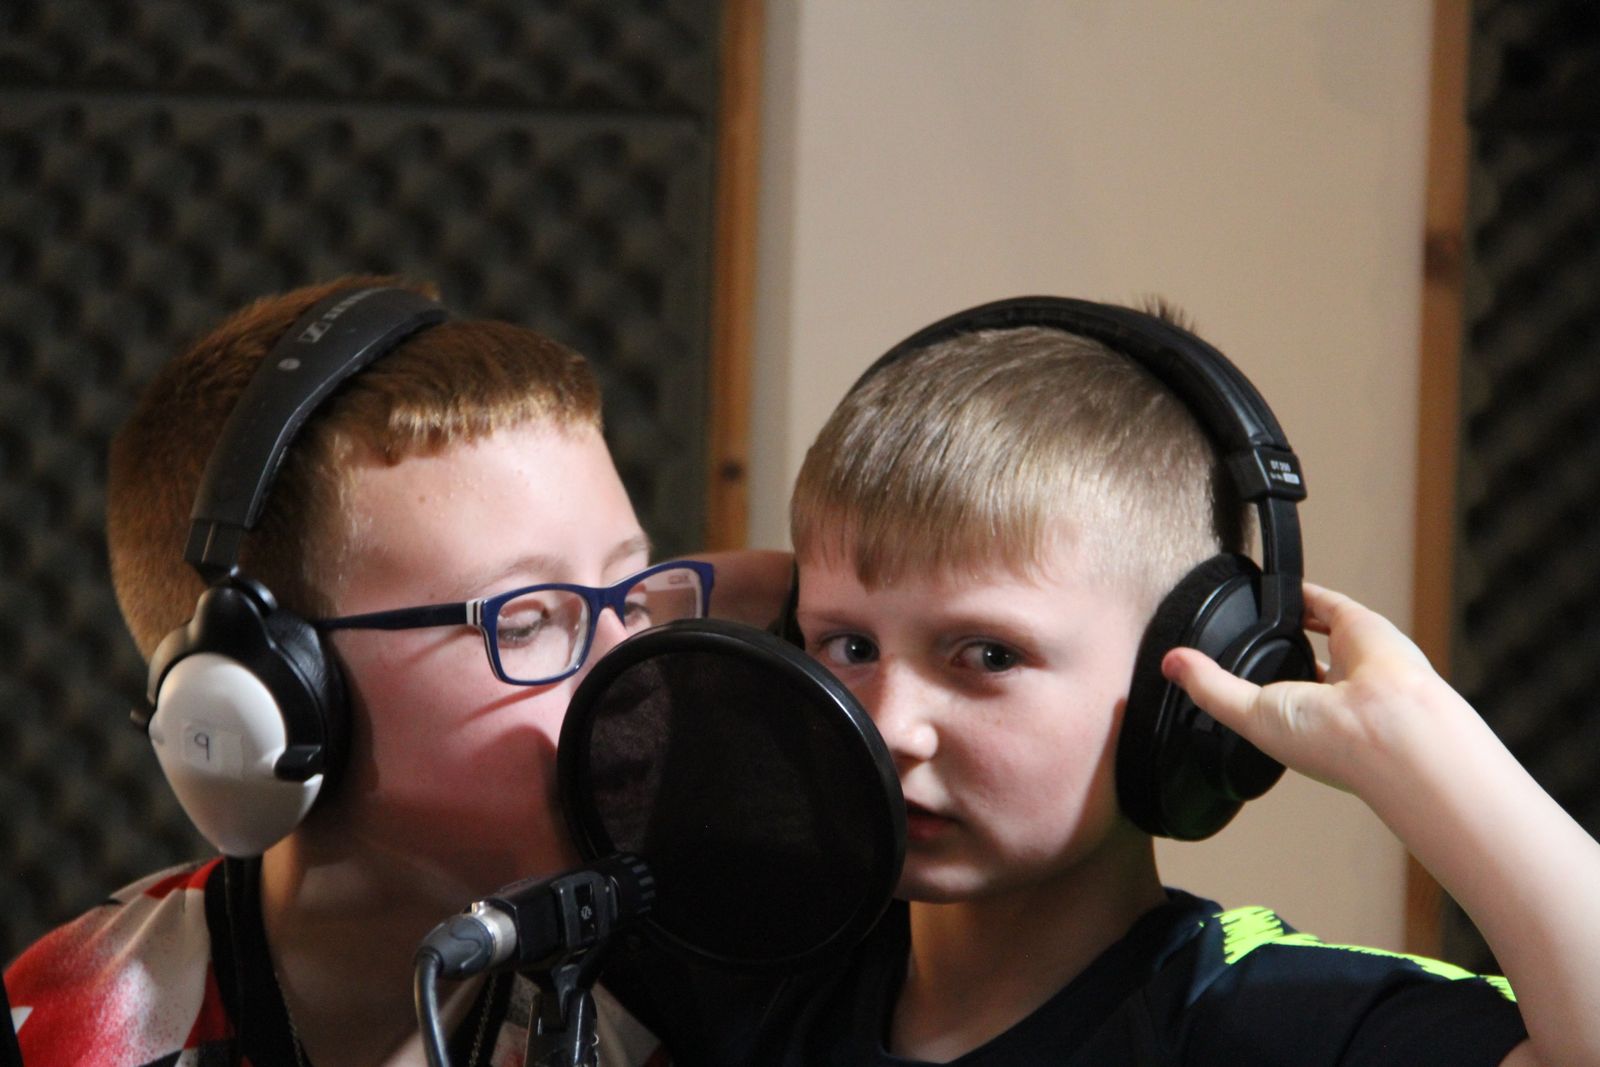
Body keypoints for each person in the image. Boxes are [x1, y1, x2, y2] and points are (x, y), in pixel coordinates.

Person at [611, 298, 1600, 1065]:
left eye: (988, 655)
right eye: (848, 647)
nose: (892, 727)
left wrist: (1419, 744)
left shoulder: (1262, 1019)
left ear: (1184, 691)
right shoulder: (755, 966)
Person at [2, 275, 788, 1067]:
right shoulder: (70, 1034)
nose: (634, 678)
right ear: (275, 697)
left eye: (634, 598)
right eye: (523, 623)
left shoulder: (703, 1009)